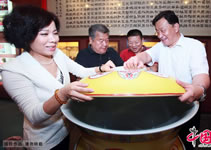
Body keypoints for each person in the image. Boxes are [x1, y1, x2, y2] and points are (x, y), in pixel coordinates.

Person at [0, 5, 115, 150]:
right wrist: (62, 94)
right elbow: (34, 115)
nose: (53, 39)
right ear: (26, 35)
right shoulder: (13, 70)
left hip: (69, 128)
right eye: (44, 34)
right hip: (44, 141)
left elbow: (82, 71)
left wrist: (100, 68)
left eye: (55, 33)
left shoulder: (57, 54)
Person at [124, 10, 210, 149]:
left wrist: (197, 89)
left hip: (187, 105)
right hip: (163, 107)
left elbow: (202, 76)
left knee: (187, 143)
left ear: (175, 27)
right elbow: (145, 56)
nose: (160, 36)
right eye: (157, 32)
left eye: (163, 30)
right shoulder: (160, 47)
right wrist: (136, 58)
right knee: (164, 143)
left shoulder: (194, 46)